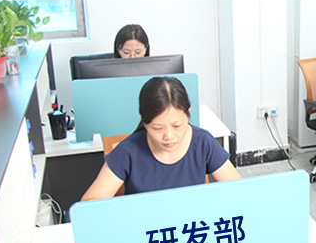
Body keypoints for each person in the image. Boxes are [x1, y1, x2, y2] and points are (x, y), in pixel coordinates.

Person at [82, 76, 240, 200]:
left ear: (188, 114)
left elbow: (239, 190)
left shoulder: (202, 142)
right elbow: (89, 206)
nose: (169, 137)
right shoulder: (127, 151)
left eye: (177, 126)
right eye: (157, 128)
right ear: (144, 120)